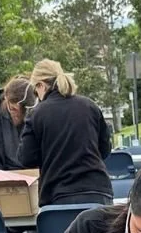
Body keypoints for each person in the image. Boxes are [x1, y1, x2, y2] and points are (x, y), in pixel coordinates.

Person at [18, 60, 113, 206]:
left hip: (58, 195)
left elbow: (26, 158)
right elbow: (105, 149)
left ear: (41, 85)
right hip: (98, 191)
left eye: (35, 91)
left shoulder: (37, 114)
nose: (37, 96)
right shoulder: (90, 106)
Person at [0, 76, 34, 172]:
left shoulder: (36, 113)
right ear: (6, 101)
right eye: (13, 109)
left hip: (34, 172)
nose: (17, 115)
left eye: (23, 112)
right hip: (5, 172)